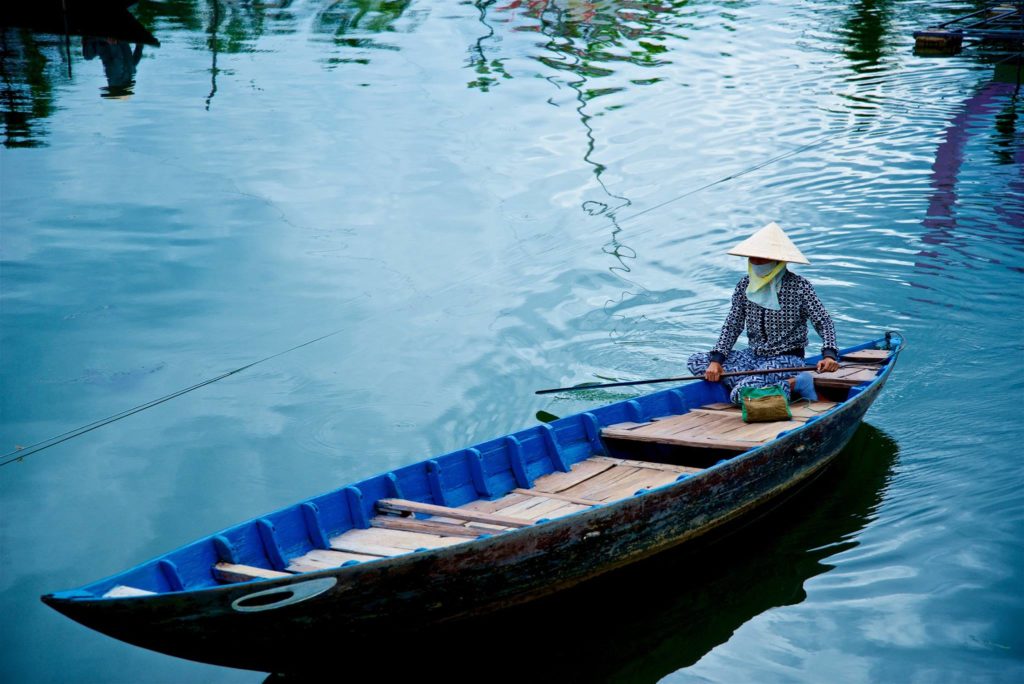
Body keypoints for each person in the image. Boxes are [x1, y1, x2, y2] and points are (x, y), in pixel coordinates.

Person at [687, 221, 840, 405]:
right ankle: (756, 385)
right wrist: (717, 360)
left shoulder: (799, 286)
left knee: (740, 394)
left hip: (787, 358)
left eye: (762, 258)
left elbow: (823, 321)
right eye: (752, 258)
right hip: (753, 357)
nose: (756, 262)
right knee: (696, 361)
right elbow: (733, 324)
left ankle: (796, 382)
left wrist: (829, 354)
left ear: (778, 261)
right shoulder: (745, 285)